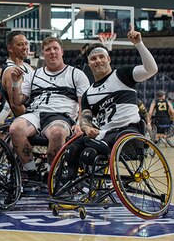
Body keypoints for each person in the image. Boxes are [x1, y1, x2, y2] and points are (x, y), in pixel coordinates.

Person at [65, 30, 158, 178]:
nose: (98, 60)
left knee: (89, 153)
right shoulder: (88, 93)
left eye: (101, 57)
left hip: (127, 132)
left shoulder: (122, 75)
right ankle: (70, 183)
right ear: (89, 64)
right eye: (94, 58)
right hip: (104, 134)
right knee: (72, 149)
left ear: (109, 59)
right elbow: (85, 118)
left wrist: (139, 44)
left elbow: (151, 69)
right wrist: (87, 128)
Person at [9, 36, 90, 180]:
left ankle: (50, 173)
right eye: (48, 49)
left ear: (62, 52)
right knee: (15, 128)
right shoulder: (33, 75)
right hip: (35, 114)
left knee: (57, 132)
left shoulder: (76, 74)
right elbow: (17, 102)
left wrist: (80, 124)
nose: (52, 52)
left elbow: (84, 104)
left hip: (61, 115)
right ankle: (31, 172)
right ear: (43, 53)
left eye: (55, 48)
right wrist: (15, 83)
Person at [1, 30, 34, 117]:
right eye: (20, 44)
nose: (25, 47)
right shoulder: (10, 71)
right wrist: (32, 119)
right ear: (10, 48)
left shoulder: (27, 66)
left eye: (26, 43)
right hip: (29, 117)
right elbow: (16, 106)